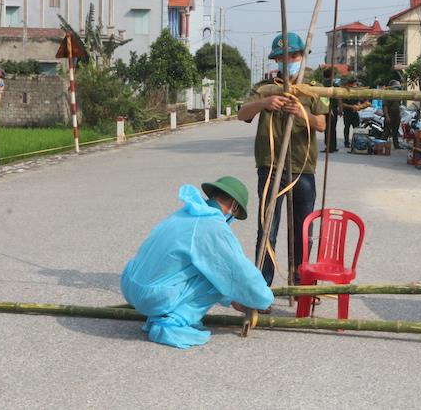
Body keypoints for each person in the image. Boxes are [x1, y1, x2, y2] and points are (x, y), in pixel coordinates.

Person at [120, 176, 274, 349]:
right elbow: (238, 272)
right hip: (153, 297)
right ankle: (173, 321)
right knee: (217, 271)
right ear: (234, 206)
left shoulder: (185, 213)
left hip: (131, 285)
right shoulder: (212, 226)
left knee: (208, 266)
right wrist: (262, 298)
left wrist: (233, 300)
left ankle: (161, 310)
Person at [237, 32, 328, 287]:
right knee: (267, 229)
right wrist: (265, 102)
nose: (288, 61)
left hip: (302, 166)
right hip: (270, 165)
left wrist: (301, 113)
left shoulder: (314, 88)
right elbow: (242, 113)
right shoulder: (265, 87)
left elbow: (321, 124)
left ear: (302, 56)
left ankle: (302, 285)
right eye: (281, 58)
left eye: (293, 56)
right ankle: (261, 286)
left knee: (303, 231)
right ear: (275, 60)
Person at [340, 78, 368, 148]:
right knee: (347, 128)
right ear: (350, 84)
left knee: (356, 128)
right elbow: (342, 104)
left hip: (355, 113)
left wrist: (359, 106)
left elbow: (358, 102)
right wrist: (352, 106)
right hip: (347, 112)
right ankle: (346, 142)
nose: (356, 86)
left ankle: (356, 142)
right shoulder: (345, 91)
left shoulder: (356, 92)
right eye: (354, 84)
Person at [321, 68, 339, 153]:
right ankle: (333, 146)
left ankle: (328, 147)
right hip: (334, 109)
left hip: (326, 109)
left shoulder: (322, 85)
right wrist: (341, 109)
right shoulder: (335, 85)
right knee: (333, 128)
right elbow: (339, 99)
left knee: (327, 129)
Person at [383, 79, 403, 149]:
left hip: (396, 116)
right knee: (386, 132)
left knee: (395, 132)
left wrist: (399, 115)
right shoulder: (389, 95)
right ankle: (382, 145)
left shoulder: (398, 95)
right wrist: (387, 116)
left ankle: (396, 145)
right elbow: (385, 107)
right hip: (390, 115)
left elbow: (398, 106)